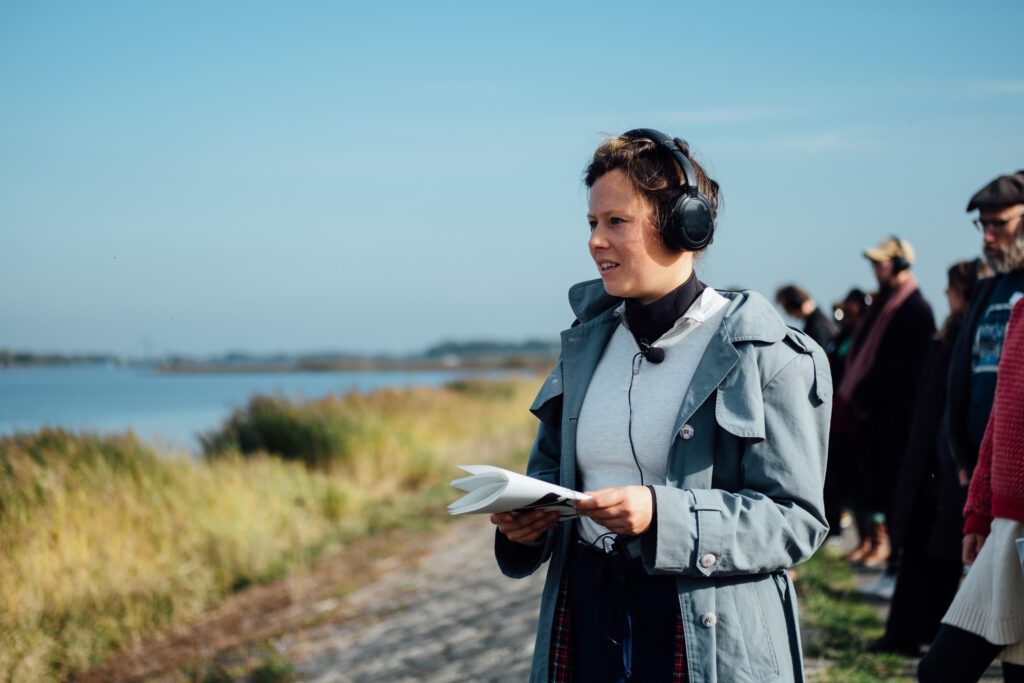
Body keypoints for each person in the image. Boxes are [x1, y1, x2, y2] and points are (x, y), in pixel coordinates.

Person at [489, 129, 831, 682]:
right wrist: (526, 525)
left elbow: (796, 522)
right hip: (585, 624)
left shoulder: (770, 353)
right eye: (592, 224)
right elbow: (550, 476)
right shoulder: (583, 346)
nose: (596, 241)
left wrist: (662, 516)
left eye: (615, 222)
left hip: (709, 645)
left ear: (684, 224)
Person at [867, 259, 991, 656]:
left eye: (951, 286)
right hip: (933, 458)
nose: (945, 294)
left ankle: (926, 635)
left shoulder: (965, 333)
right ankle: (909, 631)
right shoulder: (955, 330)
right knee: (925, 549)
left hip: (944, 461)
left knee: (940, 555)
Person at [918, 298, 1024, 682]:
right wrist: (978, 511)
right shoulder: (1020, 311)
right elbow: (1000, 417)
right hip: (1007, 526)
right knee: (940, 670)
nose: (990, 233)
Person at [834, 237, 935, 569]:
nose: (876, 270)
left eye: (882, 264)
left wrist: (864, 396)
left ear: (902, 264)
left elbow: (901, 369)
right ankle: (881, 551)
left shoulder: (914, 308)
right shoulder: (885, 305)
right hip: (872, 415)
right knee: (870, 484)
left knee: (891, 488)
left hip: (894, 416)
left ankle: (892, 557)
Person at [945, 171, 1024, 479]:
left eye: (998, 224)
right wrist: (960, 452)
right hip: (978, 468)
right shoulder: (989, 287)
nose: (987, 236)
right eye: (983, 224)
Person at [775, 284, 839, 350]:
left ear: (797, 302)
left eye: (787, 309)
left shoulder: (816, 328)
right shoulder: (820, 321)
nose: (788, 314)